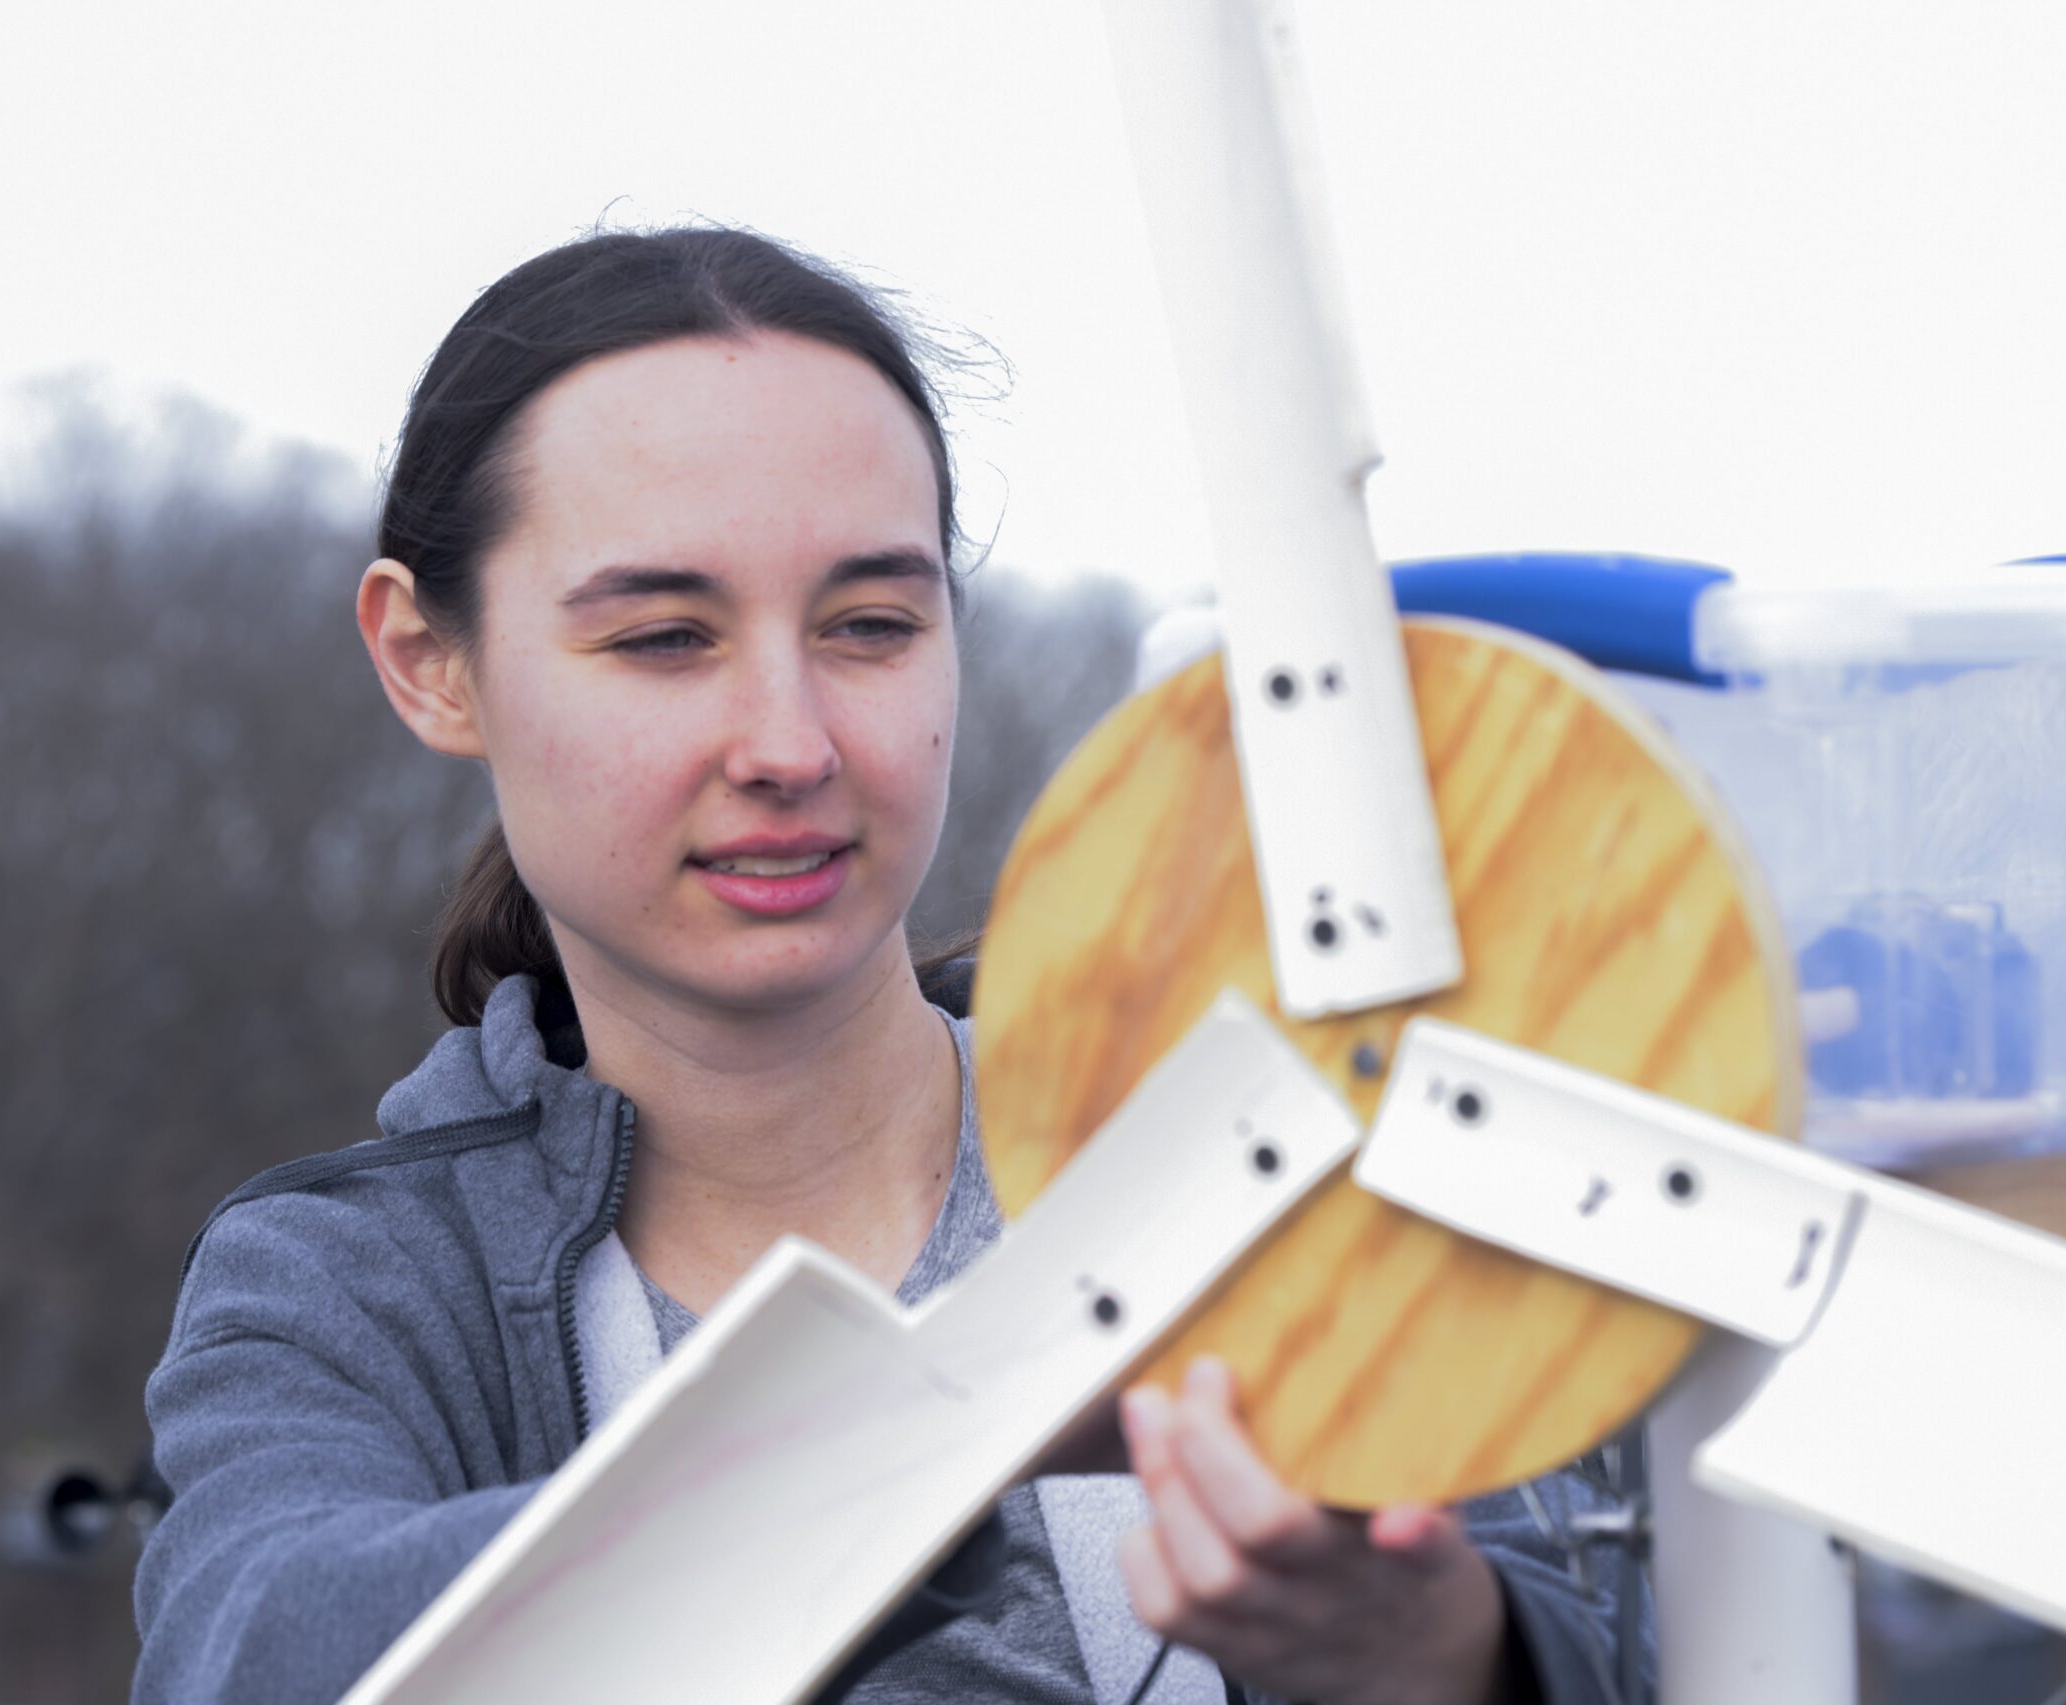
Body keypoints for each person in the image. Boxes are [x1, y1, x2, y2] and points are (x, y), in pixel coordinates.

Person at [132, 226, 1638, 1704]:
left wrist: (1446, 1654)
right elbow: (260, 1652)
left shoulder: (1259, 1166)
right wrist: (955, 1421)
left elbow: (1626, 1625)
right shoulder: (347, 1279)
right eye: (664, 637)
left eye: (870, 624)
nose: (789, 745)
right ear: (427, 659)